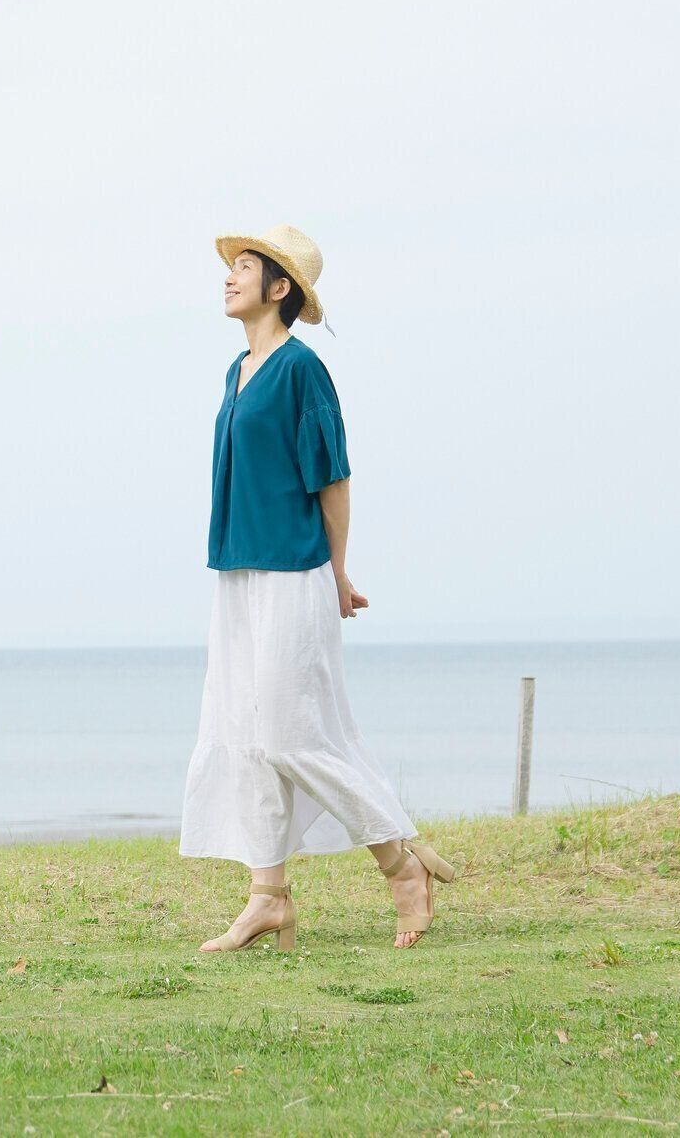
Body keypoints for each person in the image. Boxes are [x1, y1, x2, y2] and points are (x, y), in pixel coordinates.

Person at [177, 223, 458, 951]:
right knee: (240, 735)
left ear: (280, 290)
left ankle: (400, 864)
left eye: (244, 268)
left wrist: (337, 571)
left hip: (294, 572)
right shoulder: (234, 370)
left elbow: (331, 475)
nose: (227, 277)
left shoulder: (302, 370)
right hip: (236, 572)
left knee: (289, 734)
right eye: (229, 267)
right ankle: (267, 896)